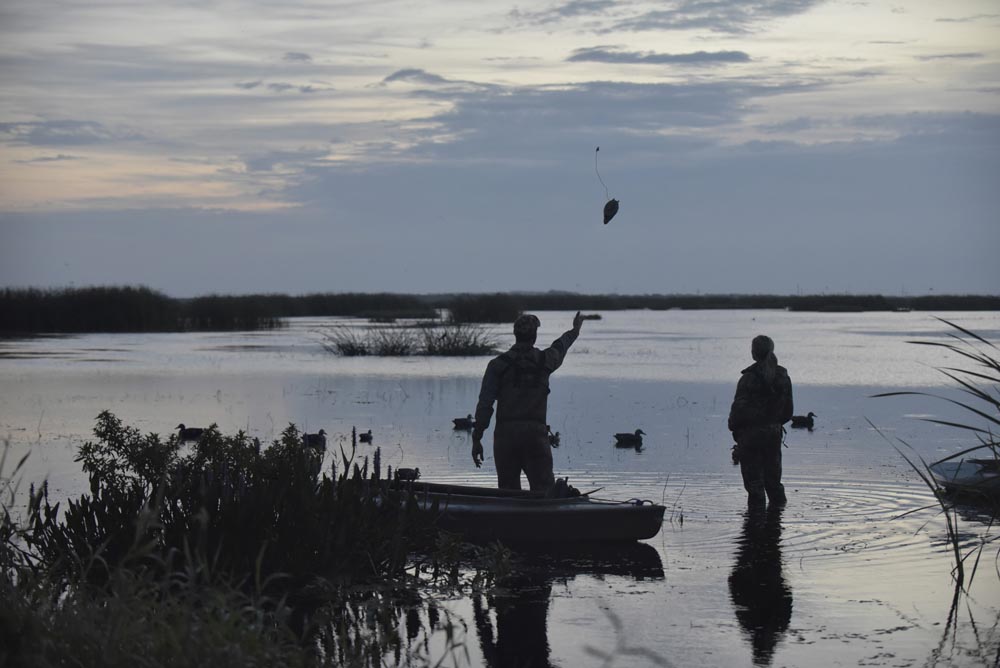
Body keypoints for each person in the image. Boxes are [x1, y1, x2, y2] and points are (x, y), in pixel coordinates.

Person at [472, 311, 585, 491]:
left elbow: (485, 405)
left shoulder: (497, 365)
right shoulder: (546, 360)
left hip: (505, 437)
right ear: (534, 336)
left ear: (515, 334)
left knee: (508, 494)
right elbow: (560, 345)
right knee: (545, 493)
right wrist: (575, 330)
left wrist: (477, 438)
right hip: (536, 436)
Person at [728, 335, 793, 506]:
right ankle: (777, 518)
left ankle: (755, 520)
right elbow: (788, 411)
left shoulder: (748, 379)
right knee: (774, 483)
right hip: (773, 435)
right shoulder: (783, 377)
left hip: (750, 437)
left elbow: (738, 409)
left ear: (754, 353)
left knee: (754, 485)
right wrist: (774, 425)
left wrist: (734, 428)